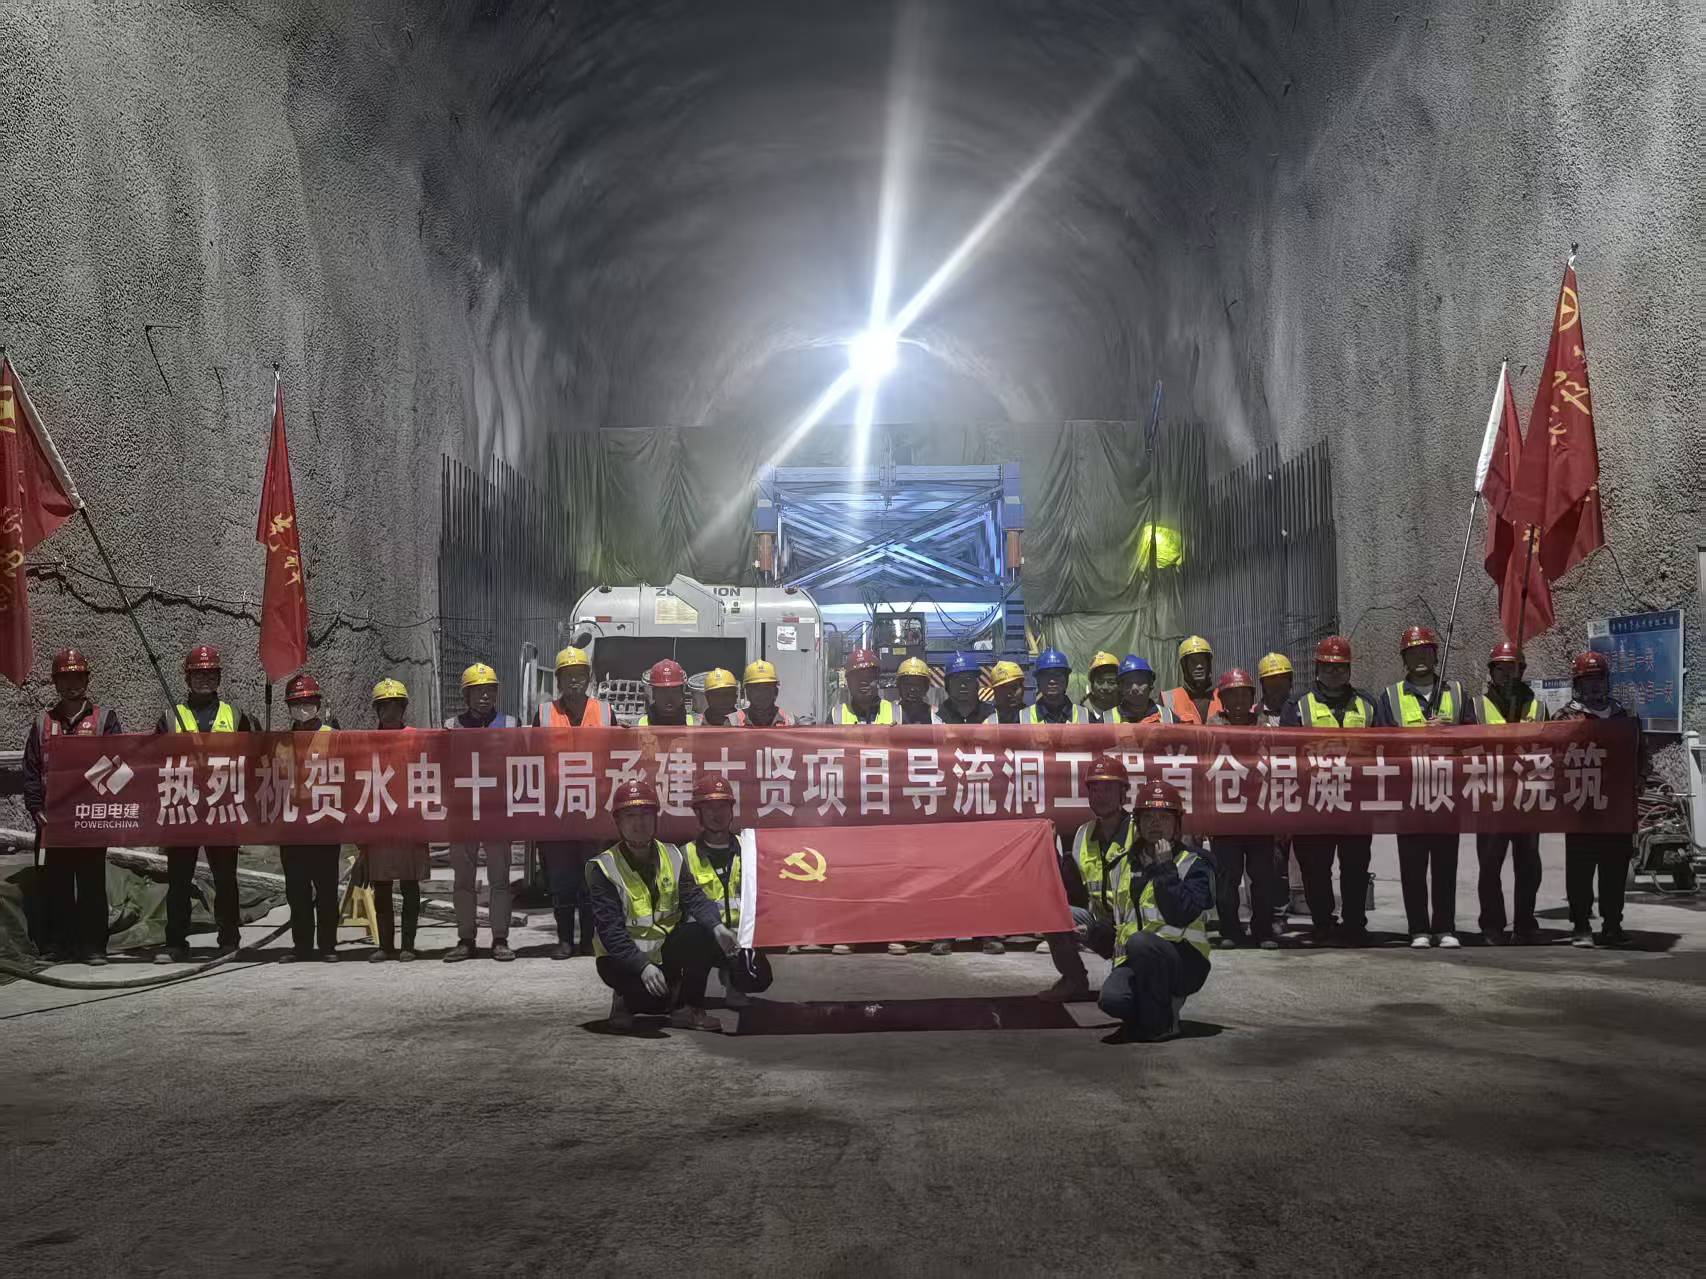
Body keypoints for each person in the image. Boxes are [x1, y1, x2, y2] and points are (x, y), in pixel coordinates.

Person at [588, 779, 736, 1032]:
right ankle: (624, 1000)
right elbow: (611, 932)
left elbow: (695, 898)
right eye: (630, 816)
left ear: (656, 818)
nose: (639, 823)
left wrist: (718, 927)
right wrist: (642, 966)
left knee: (701, 932)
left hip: (663, 952)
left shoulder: (673, 855)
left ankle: (689, 1008)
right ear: (617, 821)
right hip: (621, 961)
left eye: (646, 815)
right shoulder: (603, 868)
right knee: (649, 1002)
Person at [154, 644, 259, 963]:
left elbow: (252, 760)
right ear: (187, 678)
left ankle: (229, 939)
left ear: (219, 677)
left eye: (211, 673)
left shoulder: (236, 716)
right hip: (183, 806)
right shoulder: (170, 717)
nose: (204, 679)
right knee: (179, 879)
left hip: (221, 806)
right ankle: (175, 942)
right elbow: (154, 761)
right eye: (198, 674)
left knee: (225, 878)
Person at [23, 649, 121, 964]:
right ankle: (56, 946)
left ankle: (93, 946)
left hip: (90, 820)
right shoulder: (42, 722)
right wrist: (36, 808)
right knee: (55, 884)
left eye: (77, 677)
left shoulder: (104, 719)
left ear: (87, 680)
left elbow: (119, 763)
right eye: (64, 678)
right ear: (55, 683)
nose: (71, 684)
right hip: (52, 822)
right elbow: (31, 769)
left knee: (92, 884)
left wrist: (94, 799)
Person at [1098, 780, 1214, 1042]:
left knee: (1142, 943)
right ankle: (1150, 1013)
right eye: (1148, 818)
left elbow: (1180, 913)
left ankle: (1165, 1021)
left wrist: (1165, 869)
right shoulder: (1122, 864)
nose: (1155, 824)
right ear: (1137, 824)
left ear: (1176, 824)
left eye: (1164, 818)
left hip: (1184, 962)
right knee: (1112, 1000)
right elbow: (1118, 915)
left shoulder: (1195, 863)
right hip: (1137, 957)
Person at [1281, 636, 1377, 946]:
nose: (1334, 673)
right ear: (1317, 669)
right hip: (1314, 801)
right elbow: (1287, 755)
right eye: (1328, 667)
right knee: (1315, 868)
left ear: (1349, 670)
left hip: (1355, 802)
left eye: (1340, 667)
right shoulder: (1297, 707)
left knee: (1355, 867)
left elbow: (1386, 750)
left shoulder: (1368, 705)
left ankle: (1354, 924)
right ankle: (1323, 923)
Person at [1376, 625, 1467, 949]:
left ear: (1435, 655)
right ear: (1404, 658)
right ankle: (1418, 929)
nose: (1420, 658)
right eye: (1412, 652)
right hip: (1410, 793)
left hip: (1446, 792)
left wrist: (1449, 731)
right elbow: (1382, 744)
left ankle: (1445, 927)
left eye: (1425, 651)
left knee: (1445, 864)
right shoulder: (1390, 697)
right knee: (1412, 865)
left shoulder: (1456, 693)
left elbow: (1474, 739)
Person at [1460, 642, 1548, 945]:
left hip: (1527, 798)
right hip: (1491, 798)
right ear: (1491, 672)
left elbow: (1549, 748)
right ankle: (1492, 925)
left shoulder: (1537, 707)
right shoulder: (1475, 707)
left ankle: (1525, 924)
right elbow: (1465, 749)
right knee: (1489, 865)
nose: (1507, 674)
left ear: (1522, 671)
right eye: (1501, 668)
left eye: (1513, 668)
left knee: (1529, 865)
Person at [1554, 651, 1644, 948]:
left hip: (1616, 807)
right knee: (1580, 870)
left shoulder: (1624, 716)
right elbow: (1554, 759)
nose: (1594, 686)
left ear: (1607, 681)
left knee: (1615, 868)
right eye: (1586, 681)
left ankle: (1612, 924)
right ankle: (1581, 925)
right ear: (1577, 685)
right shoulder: (1565, 717)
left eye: (1599, 679)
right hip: (1582, 805)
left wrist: (1641, 781)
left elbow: (1640, 754)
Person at [1039, 752, 1135, 1001]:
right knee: (1051, 912)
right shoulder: (1083, 833)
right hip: (1099, 925)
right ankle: (1073, 980)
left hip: (1136, 930)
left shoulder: (1140, 832)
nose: (1100, 795)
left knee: (1120, 1000)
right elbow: (1072, 892)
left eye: (1108, 789)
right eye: (1095, 789)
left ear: (1123, 793)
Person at [443, 662, 520, 962]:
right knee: (463, 880)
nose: (484, 696)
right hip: (463, 815)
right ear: (466, 696)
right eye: (477, 691)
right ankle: (466, 939)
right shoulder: (451, 727)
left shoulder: (510, 724)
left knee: (499, 879)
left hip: (497, 813)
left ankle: (500, 939)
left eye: (489, 690)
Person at [533, 646, 605, 959]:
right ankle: (564, 939)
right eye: (568, 676)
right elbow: (530, 758)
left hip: (593, 811)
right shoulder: (543, 714)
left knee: (592, 879)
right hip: (557, 811)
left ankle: (588, 939)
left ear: (589, 679)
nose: (574, 681)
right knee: (561, 881)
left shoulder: (605, 712)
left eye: (579, 675)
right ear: (558, 681)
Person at [682, 774, 773, 1006]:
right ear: (698, 813)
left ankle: (733, 981)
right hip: (704, 937)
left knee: (759, 977)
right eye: (709, 808)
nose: (717, 814)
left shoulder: (749, 849)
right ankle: (688, 999)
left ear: (732, 810)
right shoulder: (684, 855)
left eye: (722, 806)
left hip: (740, 939)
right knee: (692, 941)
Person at [1207, 669, 1278, 948]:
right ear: (1222, 699)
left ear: (1252, 698)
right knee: (1227, 878)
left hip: (1260, 815)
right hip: (1225, 817)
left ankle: (1264, 930)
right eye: (1231, 695)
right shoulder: (1210, 730)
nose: (1238, 701)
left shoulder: (1265, 728)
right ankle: (1230, 930)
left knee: (1263, 877)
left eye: (1243, 695)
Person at [273, 674, 342, 962]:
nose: (303, 709)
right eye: (296, 704)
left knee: (326, 889)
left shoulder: (333, 736)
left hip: (325, 825)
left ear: (318, 704)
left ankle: (327, 946)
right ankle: (301, 945)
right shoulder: (281, 741)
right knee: (296, 890)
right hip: (292, 828)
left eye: (308, 703)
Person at [365, 678, 428, 961]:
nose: (390, 711)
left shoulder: (416, 737)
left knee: (409, 885)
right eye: (384, 706)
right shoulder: (366, 741)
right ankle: (385, 945)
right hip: (379, 822)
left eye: (395, 706)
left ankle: (408, 945)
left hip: (409, 821)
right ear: (377, 710)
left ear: (403, 708)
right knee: (381, 886)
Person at [1255, 651, 1298, 928]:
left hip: (1301, 792)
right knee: (1272, 861)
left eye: (1282, 680)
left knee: (1311, 860)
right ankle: (1275, 914)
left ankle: (1319, 916)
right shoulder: (1253, 716)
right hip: (1266, 797)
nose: (1277, 686)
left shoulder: (1303, 710)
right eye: (1271, 681)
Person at [1165, 635, 1222, 724]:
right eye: (1193, 662)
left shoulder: (1223, 696)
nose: (1199, 666)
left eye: (1203, 661)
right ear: (1184, 667)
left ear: (1209, 665)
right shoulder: (1168, 699)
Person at [1025, 649, 1087, 723]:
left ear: (1066, 680)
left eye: (1057, 675)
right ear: (1038, 681)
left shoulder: (1084, 715)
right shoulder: (1024, 717)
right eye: (1046, 676)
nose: (1052, 681)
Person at [838, 647, 895, 724]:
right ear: (848, 681)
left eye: (868, 675)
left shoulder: (896, 714)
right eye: (857, 676)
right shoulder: (837, 717)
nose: (863, 681)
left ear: (877, 678)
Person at [1106, 655, 1167, 724]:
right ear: (1121, 688)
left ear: (1150, 685)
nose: (1134, 688)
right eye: (1128, 683)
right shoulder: (1106, 719)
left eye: (1140, 682)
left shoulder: (1168, 716)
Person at [637, 659, 697, 726]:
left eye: (674, 691)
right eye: (663, 692)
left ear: (682, 694)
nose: (669, 697)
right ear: (653, 693)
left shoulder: (695, 725)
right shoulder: (640, 726)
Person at [936, 653, 991, 724]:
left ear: (977, 684)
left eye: (968, 679)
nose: (963, 685)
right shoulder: (937, 718)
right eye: (957, 680)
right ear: (947, 685)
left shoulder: (991, 715)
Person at [731, 660, 789, 726]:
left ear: (775, 692)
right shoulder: (732, 722)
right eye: (755, 688)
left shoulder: (791, 722)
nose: (761, 694)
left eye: (766, 688)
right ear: (747, 692)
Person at [1082, 651, 1121, 721]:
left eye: (1111, 682)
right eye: (1100, 681)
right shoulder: (1079, 714)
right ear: (1092, 684)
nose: (1105, 687)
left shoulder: (1129, 713)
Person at [895, 657, 935, 724]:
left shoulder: (935, 716)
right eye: (908, 684)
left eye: (917, 685)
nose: (912, 689)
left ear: (926, 687)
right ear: (899, 686)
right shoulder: (889, 713)